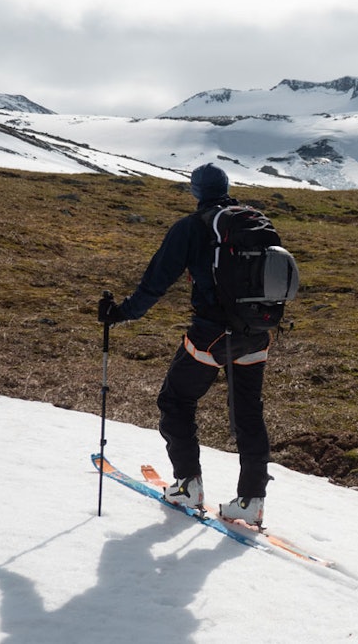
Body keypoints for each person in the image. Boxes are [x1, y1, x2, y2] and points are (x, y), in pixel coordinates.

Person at [100, 163, 272, 525]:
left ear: (195, 192)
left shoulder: (190, 228)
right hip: (256, 333)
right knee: (248, 414)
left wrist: (120, 313)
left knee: (176, 399)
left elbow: (155, 283)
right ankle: (251, 500)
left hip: (212, 334)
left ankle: (188, 484)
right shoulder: (256, 222)